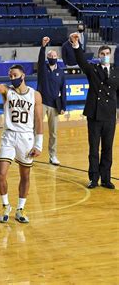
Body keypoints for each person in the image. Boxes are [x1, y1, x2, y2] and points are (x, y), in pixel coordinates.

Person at [0, 63, 43, 223]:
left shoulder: (35, 95)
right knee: (1, 173)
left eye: (15, 75)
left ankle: (20, 208)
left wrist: (39, 144)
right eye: (10, 76)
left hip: (26, 138)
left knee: (25, 175)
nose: (12, 78)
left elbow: (39, 120)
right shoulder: (7, 91)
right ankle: (5, 205)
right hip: (9, 137)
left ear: (23, 76)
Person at [71, 33, 119, 189]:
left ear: (110, 56)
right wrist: (76, 45)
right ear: (99, 55)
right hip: (94, 115)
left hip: (110, 116)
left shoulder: (116, 72)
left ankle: (106, 178)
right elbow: (81, 61)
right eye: (102, 54)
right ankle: (94, 178)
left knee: (108, 148)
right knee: (93, 148)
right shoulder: (92, 70)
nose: (105, 56)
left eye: (107, 54)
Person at [37, 36, 67, 166]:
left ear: (57, 58)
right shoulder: (42, 68)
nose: (52, 57)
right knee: (36, 129)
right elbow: (40, 59)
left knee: (53, 133)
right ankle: (31, 153)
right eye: (50, 55)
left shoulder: (61, 72)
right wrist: (43, 47)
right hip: (42, 103)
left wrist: (63, 106)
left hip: (55, 105)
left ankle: (52, 155)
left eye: (54, 55)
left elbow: (63, 90)